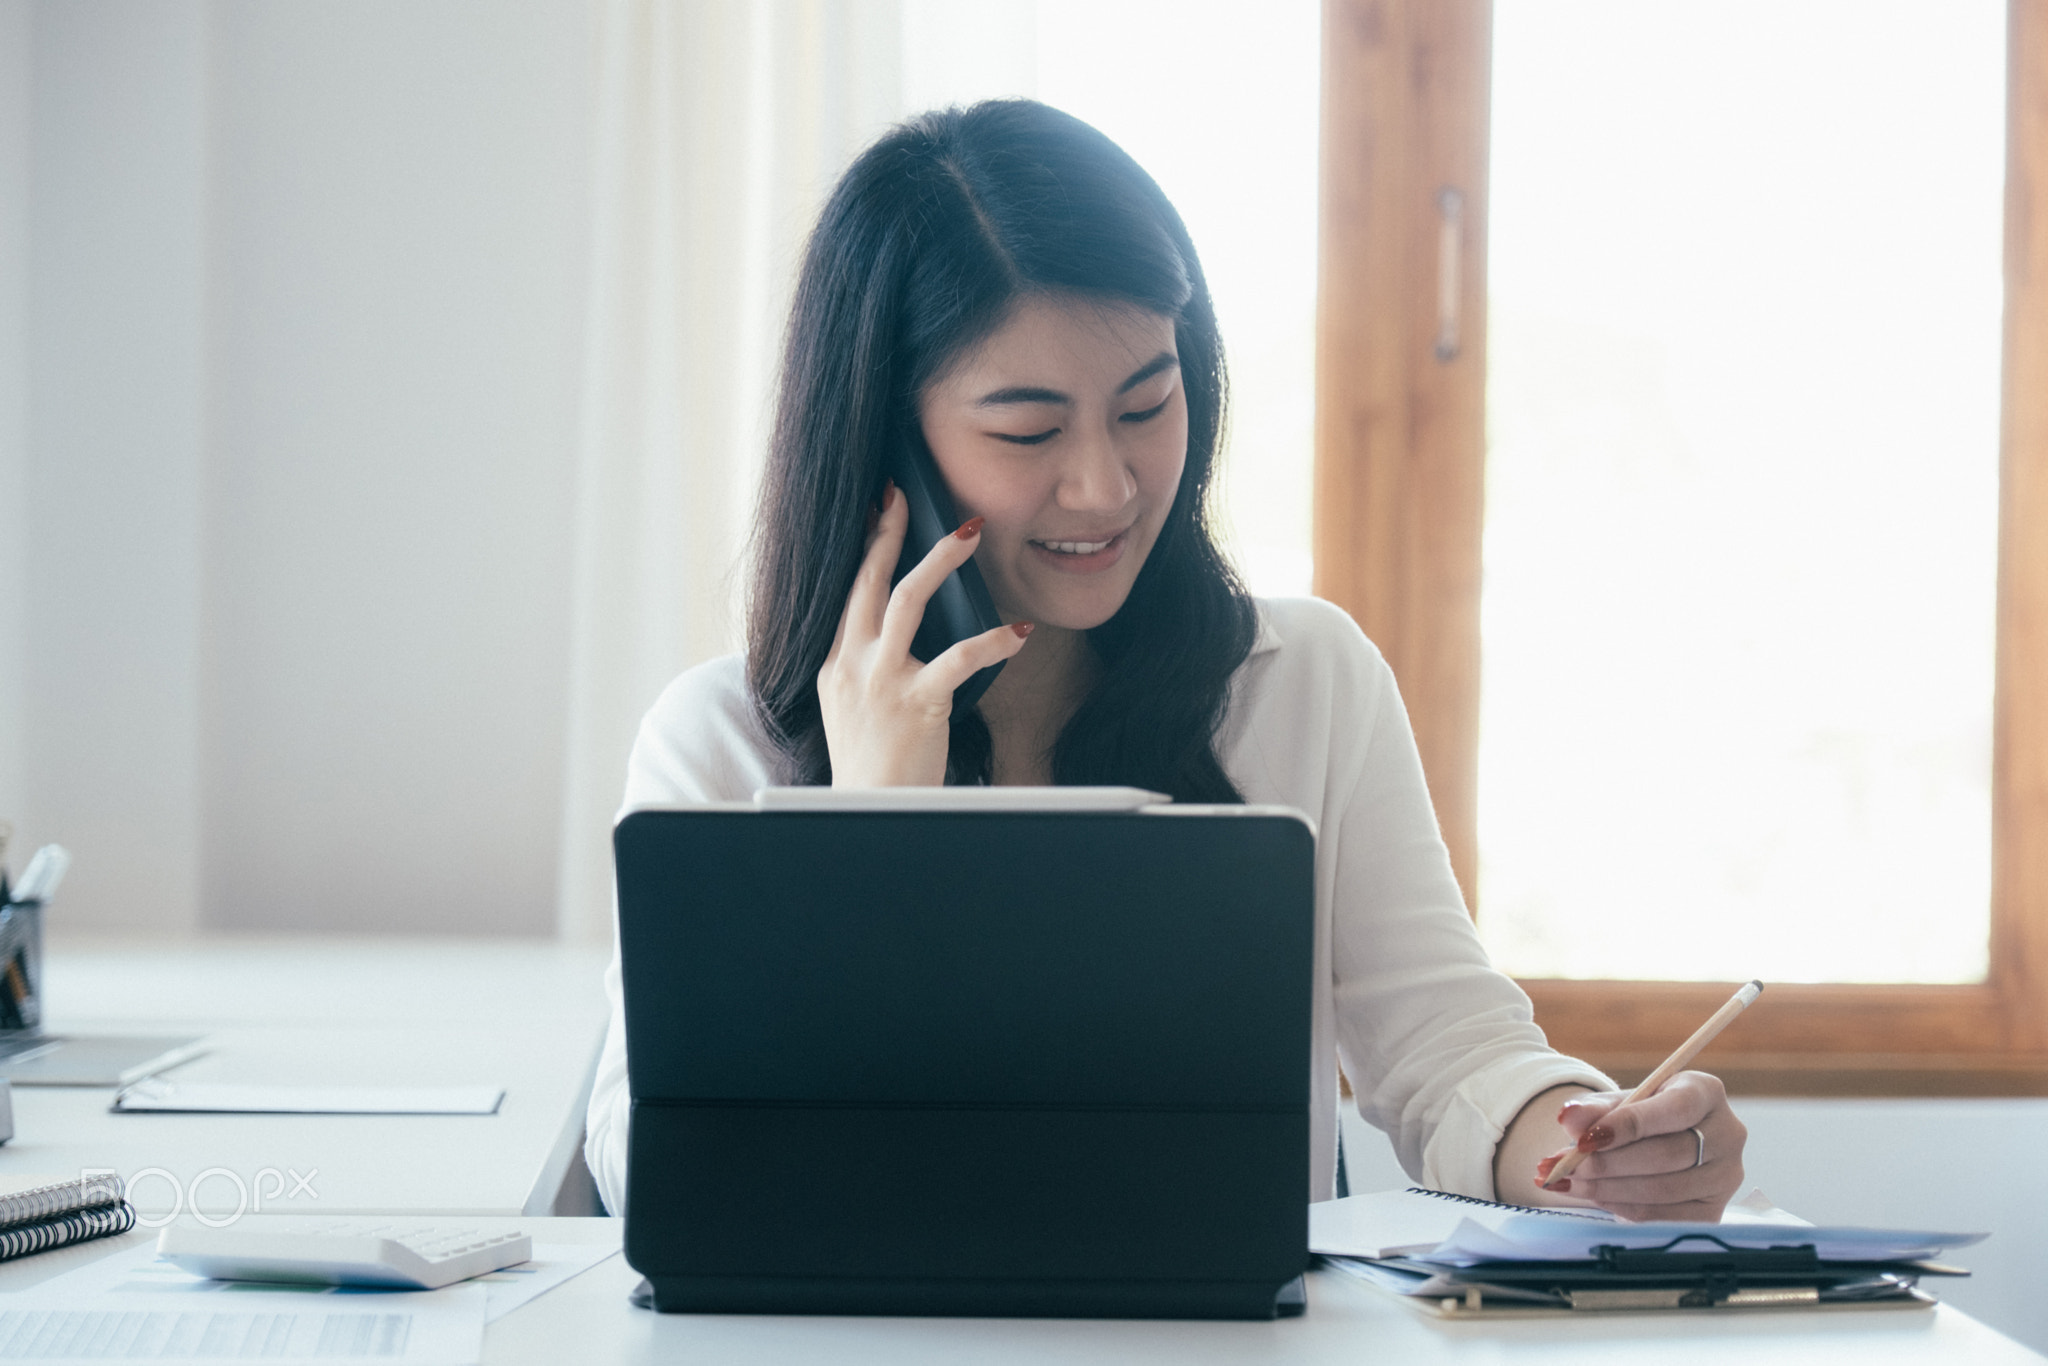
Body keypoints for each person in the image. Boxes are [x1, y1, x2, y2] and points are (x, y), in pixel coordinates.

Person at [583, 98, 1747, 1222]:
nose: (1105, 486)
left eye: (1147, 402)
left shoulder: (1303, 681)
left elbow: (1448, 1049)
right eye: (1027, 431)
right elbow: (656, 1171)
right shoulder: (714, 745)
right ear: (888, 438)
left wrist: (1582, 1147)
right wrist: (870, 830)